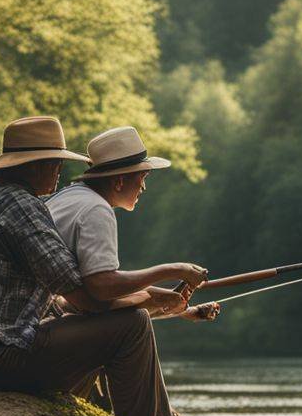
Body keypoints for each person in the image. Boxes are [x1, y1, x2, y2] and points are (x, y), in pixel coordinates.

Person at [0, 116, 218, 416]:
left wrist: (167, 303)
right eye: (56, 163)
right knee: (131, 326)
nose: (59, 172)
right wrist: (166, 278)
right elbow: (88, 298)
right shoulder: (22, 207)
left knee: (107, 323)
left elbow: (66, 300)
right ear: (38, 165)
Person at [46, 126, 222, 323]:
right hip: (38, 325)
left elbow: (91, 290)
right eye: (142, 177)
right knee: (136, 322)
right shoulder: (96, 209)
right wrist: (175, 270)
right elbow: (102, 286)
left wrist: (181, 308)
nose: (144, 187)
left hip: (43, 314)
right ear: (119, 181)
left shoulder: (70, 196)